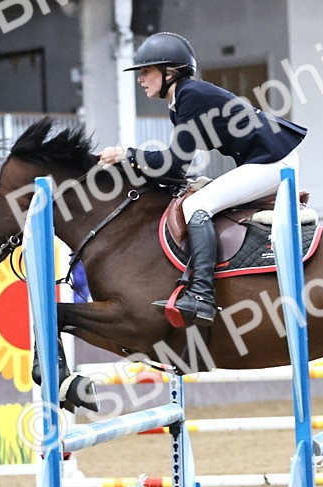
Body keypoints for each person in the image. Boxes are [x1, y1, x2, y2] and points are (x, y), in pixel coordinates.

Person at [97, 32, 307, 326]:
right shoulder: (182, 99)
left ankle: (201, 294)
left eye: (146, 71)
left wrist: (126, 154)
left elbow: (171, 164)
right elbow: (175, 171)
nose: (140, 79)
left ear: (169, 72)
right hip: (264, 161)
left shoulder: (190, 96)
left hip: (273, 162)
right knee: (196, 199)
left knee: (197, 207)